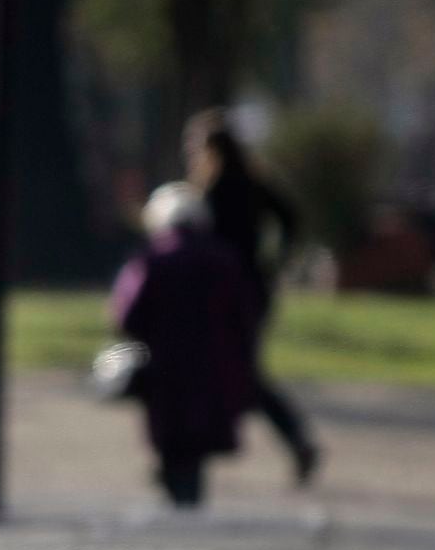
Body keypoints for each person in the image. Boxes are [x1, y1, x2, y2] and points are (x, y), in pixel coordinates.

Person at [184, 109, 321, 484]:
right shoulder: (253, 182)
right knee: (234, 370)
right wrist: (275, 263)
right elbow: (291, 218)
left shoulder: (212, 189)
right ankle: (196, 454)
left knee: (231, 372)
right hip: (253, 287)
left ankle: (191, 456)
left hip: (223, 291)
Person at [110, 183, 260, 508]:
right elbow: (244, 317)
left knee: (172, 441)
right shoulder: (225, 260)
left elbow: (127, 316)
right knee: (196, 446)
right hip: (214, 368)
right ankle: (187, 500)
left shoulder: (151, 260)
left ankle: (174, 492)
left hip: (165, 369)